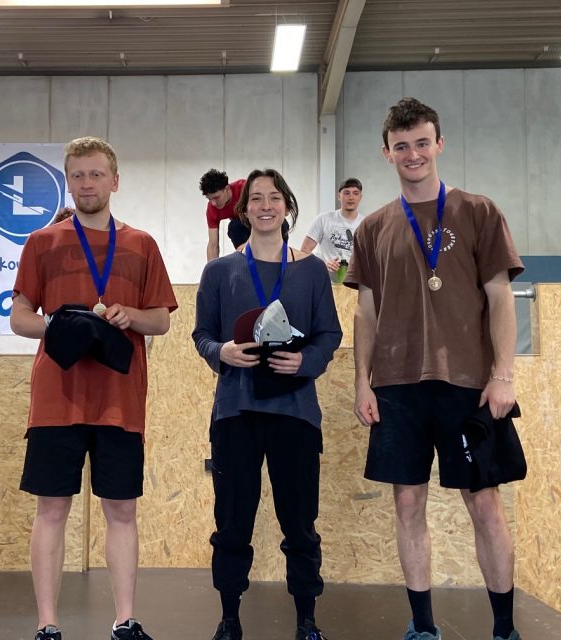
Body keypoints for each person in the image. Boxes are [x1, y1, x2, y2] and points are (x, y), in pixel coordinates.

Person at [347, 98, 524, 640]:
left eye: (422, 143)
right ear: (387, 154)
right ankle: (423, 626)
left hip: (469, 385)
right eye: (401, 146)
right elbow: (366, 312)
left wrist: (504, 376)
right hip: (398, 386)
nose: (413, 154)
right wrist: (361, 382)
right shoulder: (374, 227)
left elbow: (501, 298)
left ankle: (503, 628)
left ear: (439, 144)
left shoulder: (478, 211)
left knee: (485, 504)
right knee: (407, 503)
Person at [10, 136, 177, 640]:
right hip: (56, 397)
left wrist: (130, 317)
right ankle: (47, 625)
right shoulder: (42, 241)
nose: (87, 183)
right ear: (68, 181)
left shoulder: (141, 244)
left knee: (121, 510)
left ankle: (125, 620)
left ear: (115, 181)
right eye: (78, 175)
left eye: (96, 174)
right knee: (52, 508)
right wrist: (60, 325)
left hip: (119, 401)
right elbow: (19, 317)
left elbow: (162, 322)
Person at [193, 168, 342, 640]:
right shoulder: (219, 271)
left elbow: (329, 335)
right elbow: (202, 334)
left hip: (295, 413)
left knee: (300, 521)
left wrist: (305, 361)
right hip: (235, 411)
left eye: (274, 197)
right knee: (232, 521)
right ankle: (229, 617)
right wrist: (223, 353)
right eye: (256, 198)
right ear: (243, 210)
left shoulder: (312, 271)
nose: (265, 205)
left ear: (287, 207)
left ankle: (307, 618)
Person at [300, 177, 365, 283]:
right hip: (326, 283)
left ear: (360, 197)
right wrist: (323, 264)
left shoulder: (366, 224)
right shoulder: (324, 219)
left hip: (355, 285)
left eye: (355, 193)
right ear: (339, 196)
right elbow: (304, 251)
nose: (351, 197)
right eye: (346, 193)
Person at [203, 169, 249, 262]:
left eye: (216, 197)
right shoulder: (212, 209)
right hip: (243, 229)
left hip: (264, 224)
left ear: (227, 189)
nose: (214, 203)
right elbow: (213, 244)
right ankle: (245, 258)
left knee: (282, 224)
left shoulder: (244, 188)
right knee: (234, 226)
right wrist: (211, 271)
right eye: (209, 199)